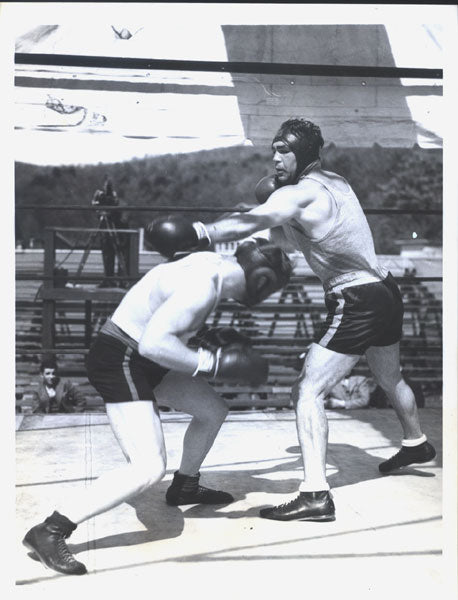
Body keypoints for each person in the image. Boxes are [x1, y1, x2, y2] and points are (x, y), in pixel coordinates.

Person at [146, 117, 436, 523]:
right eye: (273, 149)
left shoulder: (300, 194)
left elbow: (255, 219)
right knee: (390, 376)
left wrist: (198, 231)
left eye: (284, 149)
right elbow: (284, 231)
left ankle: (315, 494)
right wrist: (262, 230)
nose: (275, 157)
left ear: (302, 153)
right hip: (385, 290)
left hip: (356, 298)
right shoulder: (336, 182)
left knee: (306, 391)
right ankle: (416, 441)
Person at [22, 240, 292, 574]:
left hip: (141, 357)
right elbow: (154, 344)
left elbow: (163, 315)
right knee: (148, 467)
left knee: (212, 410)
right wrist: (213, 362)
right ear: (262, 281)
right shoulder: (202, 288)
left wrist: (203, 335)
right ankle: (50, 531)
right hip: (122, 359)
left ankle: (185, 486)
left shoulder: (209, 262)